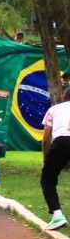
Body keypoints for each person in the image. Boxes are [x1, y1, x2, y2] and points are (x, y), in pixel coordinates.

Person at [40, 87, 70, 230]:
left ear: (63, 98)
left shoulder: (54, 110)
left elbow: (46, 139)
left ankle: (57, 215)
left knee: (48, 180)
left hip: (61, 142)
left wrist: (46, 157)